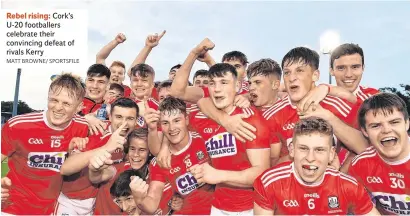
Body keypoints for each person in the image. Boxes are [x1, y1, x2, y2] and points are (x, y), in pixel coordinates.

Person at [253, 117, 380, 215]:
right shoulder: (269, 183)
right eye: (303, 148)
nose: (310, 158)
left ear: (331, 154)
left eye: (319, 150)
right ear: (292, 150)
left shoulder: (349, 186)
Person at [1, 73, 89, 215]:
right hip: (13, 206)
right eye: (54, 100)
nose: (58, 107)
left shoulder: (82, 127)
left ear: (79, 107)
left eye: (66, 103)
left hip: (51, 209)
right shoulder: (18, 125)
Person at [265, 47, 368, 166]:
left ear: (315, 75)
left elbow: (366, 148)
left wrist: (329, 118)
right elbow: (269, 165)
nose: (292, 78)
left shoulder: (340, 105)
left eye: (299, 71)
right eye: (287, 72)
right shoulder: (272, 115)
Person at [56, 98, 139, 215]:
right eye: (119, 117)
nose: (124, 123)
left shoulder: (133, 138)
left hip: (95, 203)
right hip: (72, 201)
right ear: (110, 117)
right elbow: (65, 168)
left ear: (136, 121)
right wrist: (106, 147)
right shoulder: (95, 132)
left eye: (130, 118)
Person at [132, 96, 214, 215]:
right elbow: (152, 204)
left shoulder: (203, 138)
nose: (172, 128)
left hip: (219, 208)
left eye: (177, 121)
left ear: (186, 120)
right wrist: (139, 198)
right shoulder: (160, 162)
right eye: (165, 123)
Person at [349, 93, 410, 215]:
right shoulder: (361, 165)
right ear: (365, 131)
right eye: (376, 125)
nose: (386, 130)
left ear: (407, 123)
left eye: (394, 122)